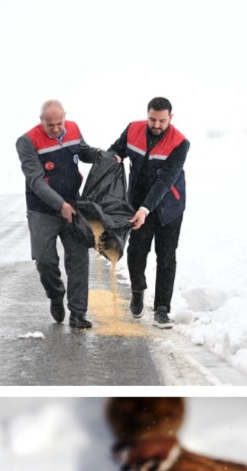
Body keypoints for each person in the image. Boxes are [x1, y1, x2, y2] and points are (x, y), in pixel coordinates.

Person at [17, 100, 104, 328]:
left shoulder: (73, 129)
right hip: (42, 210)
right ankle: (56, 295)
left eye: (59, 123)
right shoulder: (27, 142)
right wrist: (60, 205)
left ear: (65, 116)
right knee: (45, 260)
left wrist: (100, 155)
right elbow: (36, 182)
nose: (56, 129)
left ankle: (78, 313)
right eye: (50, 125)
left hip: (74, 206)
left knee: (78, 259)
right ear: (41, 121)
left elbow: (82, 151)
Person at [108, 97, 190, 329]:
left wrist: (146, 209)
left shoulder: (180, 142)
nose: (156, 124)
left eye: (162, 121)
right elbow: (116, 148)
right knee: (136, 251)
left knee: (166, 257)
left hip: (168, 207)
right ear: (147, 114)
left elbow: (165, 181)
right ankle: (137, 291)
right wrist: (115, 156)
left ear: (170, 118)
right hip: (137, 203)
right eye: (152, 119)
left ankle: (162, 309)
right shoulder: (133, 129)